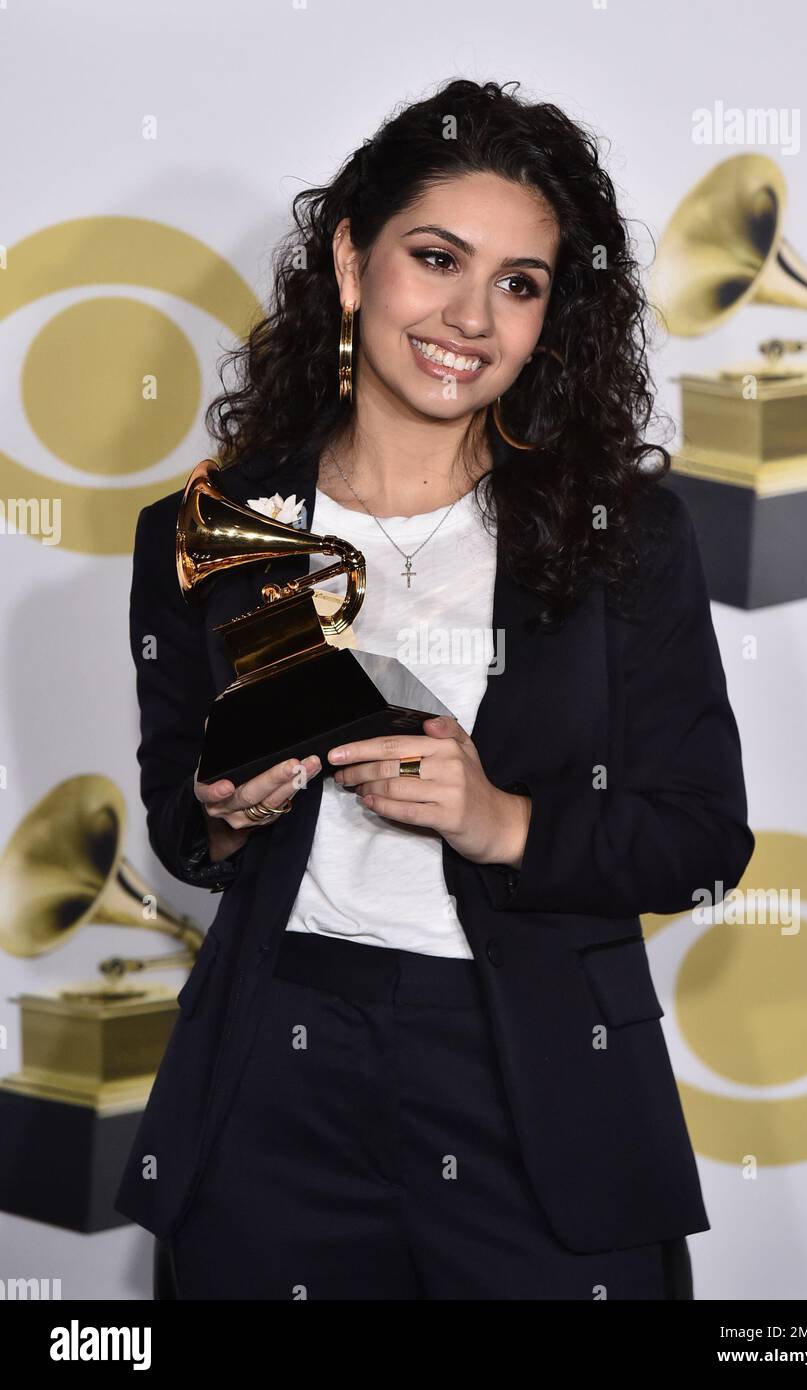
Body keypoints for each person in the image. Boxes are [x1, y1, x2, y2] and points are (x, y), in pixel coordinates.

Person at [115, 77, 754, 1300]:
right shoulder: (204, 530)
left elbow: (701, 840)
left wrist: (497, 818)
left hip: (536, 1088)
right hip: (272, 1073)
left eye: (518, 283)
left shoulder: (627, 537)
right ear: (352, 261)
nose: (470, 315)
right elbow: (175, 819)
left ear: (550, 318)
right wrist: (222, 814)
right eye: (435, 258)